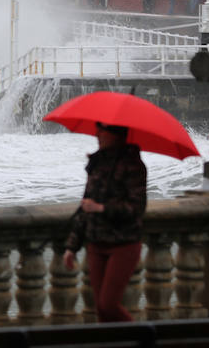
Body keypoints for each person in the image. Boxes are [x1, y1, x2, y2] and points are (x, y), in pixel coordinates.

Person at [63, 122, 147, 323]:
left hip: (123, 244)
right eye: (98, 128)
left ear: (117, 135)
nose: (97, 133)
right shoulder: (97, 163)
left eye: (103, 130)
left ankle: (147, 338)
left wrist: (102, 208)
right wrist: (71, 247)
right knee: (102, 312)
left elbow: (136, 208)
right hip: (96, 242)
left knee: (108, 305)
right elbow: (85, 207)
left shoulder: (133, 165)